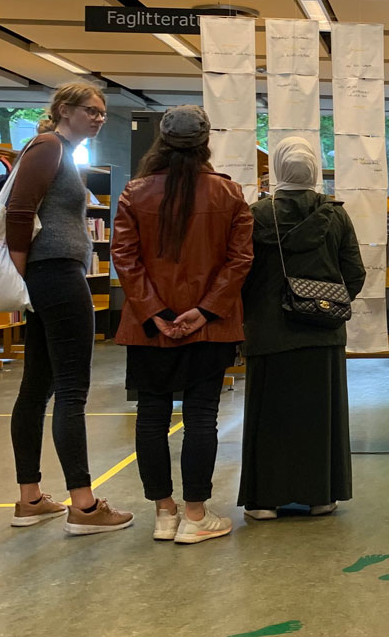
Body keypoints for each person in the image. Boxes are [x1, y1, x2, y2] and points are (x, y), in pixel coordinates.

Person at [111, 105, 253, 544]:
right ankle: (195, 515)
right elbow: (240, 260)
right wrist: (205, 311)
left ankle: (164, 513)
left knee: (151, 415)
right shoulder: (229, 194)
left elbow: (124, 258)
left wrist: (154, 312)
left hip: (149, 328)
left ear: (162, 140)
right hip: (209, 327)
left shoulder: (135, 193)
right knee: (201, 415)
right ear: (205, 143)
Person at [6, 82, 134, 534]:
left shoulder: (59, 151)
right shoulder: (48, 146)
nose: (99, 118)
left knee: (38, 387)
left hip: (50, 276)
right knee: (71, 390)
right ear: (64, 109)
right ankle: (84, 506)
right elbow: (19, 211)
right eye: (91, 110)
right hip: (55, 275)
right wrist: (22, 275)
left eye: (102, 112)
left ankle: (31, 499)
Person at [238, 136, 366, 520]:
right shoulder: (336, 215)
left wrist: (255, 311)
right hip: (322, 336)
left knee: (268, 419)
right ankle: (320, 496)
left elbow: (239, 274)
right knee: (320, 420)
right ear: (314, 169)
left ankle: (264, 501)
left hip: (269, 334)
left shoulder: (255, 216)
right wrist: (326, 306)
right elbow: (355, 273)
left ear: (277, 168)